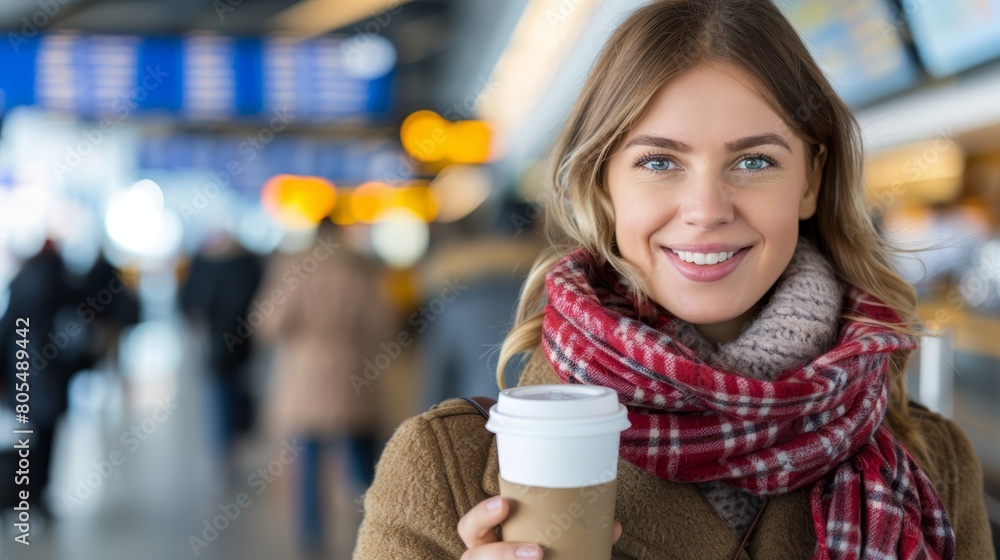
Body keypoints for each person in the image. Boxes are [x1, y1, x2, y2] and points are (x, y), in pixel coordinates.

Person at [353, 1, 995, 559]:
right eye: (660, 161)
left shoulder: (934, 464)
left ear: (811, 181)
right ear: (603, 185)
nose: (707, 208)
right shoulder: (447, 468)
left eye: (754, 160)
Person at [255, 219, 396, 553]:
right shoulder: (363, 270)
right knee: (363, 452)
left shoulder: (293, 270)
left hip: (306, 374)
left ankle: (310, 534)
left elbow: (267, 324)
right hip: (354, 369)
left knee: (307, 455)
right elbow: (385, 323)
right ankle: (374, 524)